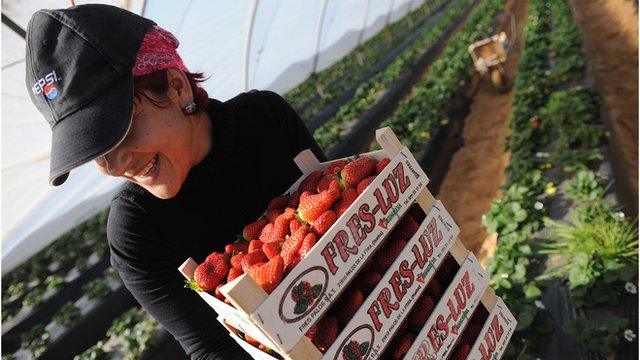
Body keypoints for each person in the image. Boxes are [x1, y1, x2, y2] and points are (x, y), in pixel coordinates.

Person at [25, 4, 325, 359]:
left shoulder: (265, 118)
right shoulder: (136, 231)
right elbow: (211, 348)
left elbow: (346, 212)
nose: (118, 165)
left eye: (123, 131)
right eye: (97, 151)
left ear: (177, 87)